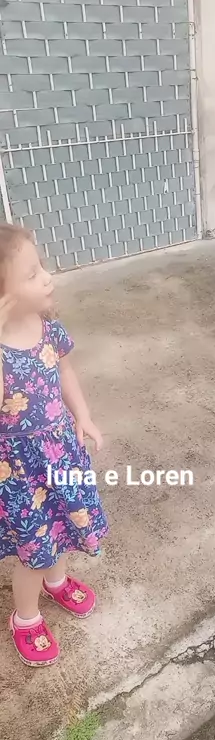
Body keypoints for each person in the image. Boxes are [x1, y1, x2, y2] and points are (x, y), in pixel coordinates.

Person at [0, 223, 108, 666]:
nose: (47, 277)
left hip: (60, 452)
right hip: (20, 471)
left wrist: (83, 416)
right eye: (31, 274)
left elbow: (65, 371)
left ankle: (57, 581)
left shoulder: (47, 326)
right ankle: (25, 617)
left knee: (61, 525)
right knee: (33, 549)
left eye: (41, 266)